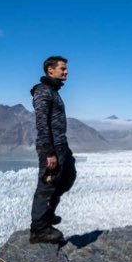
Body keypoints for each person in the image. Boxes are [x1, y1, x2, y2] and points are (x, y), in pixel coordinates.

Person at [29, 56, 77, 244]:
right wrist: (49, 152)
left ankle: (48, 214)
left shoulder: (53, 91)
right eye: (62, 69)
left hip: (61, 145)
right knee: (46, 185)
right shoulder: (43, 92)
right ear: (50, 70)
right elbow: (41, 123)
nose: (66, 72)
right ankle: (39, 230)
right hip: (51, 147)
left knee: (67, 177)